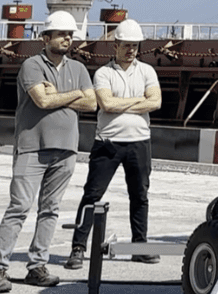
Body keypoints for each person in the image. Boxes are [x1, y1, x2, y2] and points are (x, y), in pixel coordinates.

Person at [0, 11, 96, 292]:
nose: (66, 39)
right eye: (60, 34)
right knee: (19, 207)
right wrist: (74, 95)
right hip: (32, 147)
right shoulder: (31, 66)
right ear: (45, 38)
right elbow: (42, 101)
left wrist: (60, 94)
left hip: (67, 149)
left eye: (69, 35)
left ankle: (37, 266)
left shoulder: (79, 69)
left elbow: (92, 104)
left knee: (51, 210)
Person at [65, 20, 162, 269]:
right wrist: (139, 100)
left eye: (135, 46)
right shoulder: (103, 73)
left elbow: (156, 103)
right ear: (115, 45)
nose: (131, 50)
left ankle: (139, 247)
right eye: (126, 45)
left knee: (140, 195)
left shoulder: (147, 71)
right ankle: (77, 248)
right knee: (93, 194)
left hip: (140, 142)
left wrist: (123, 102)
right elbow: (106, 105)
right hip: (108, 143)